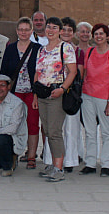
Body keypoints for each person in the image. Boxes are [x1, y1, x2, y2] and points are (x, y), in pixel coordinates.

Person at [33, 17, 77, 182]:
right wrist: (35, 95)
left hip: (56, 94)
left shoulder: (65, 48)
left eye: (54, 28)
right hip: (43, 94)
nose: (50, 30)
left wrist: (62, 89)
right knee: (47, 131)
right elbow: (38, 72)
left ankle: (59, 168)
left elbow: (72, 72)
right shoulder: (41, 50)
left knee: (55, 131)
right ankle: (53, 164)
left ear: (60, 31)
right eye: (48, 27)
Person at [0, 17, 41, 169]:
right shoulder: (10, 48)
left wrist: (37, 94)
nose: (23, 32)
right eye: (21, 29)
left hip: (31, 92)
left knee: (32, 124)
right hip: (15, 92)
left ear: (31, 31)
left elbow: (41, 72)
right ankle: (13, 154)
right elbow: (4, 71)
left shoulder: (37, 49)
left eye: (26, 29)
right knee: (13, 124)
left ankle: (31, 156)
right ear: (17, 31)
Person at [79, 24, 109, 177]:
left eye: (102, 34)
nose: (99, 36)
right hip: (87, 95)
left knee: (107, 132)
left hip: (104, 97)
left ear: (107, 35)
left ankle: (106, 164)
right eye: (96, 34)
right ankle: (90, 163)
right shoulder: (89, 51)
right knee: (90, 131)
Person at [60, 17, 84, 173]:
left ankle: (70, 160)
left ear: (74, 33)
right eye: (64, 29)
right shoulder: (52, 48)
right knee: (56, 129)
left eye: (70, 30)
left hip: (70, 93)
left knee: (71, 128)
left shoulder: (78, 51)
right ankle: (54, 159)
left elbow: (79, 74)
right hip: (55, 91)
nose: (67, 32)